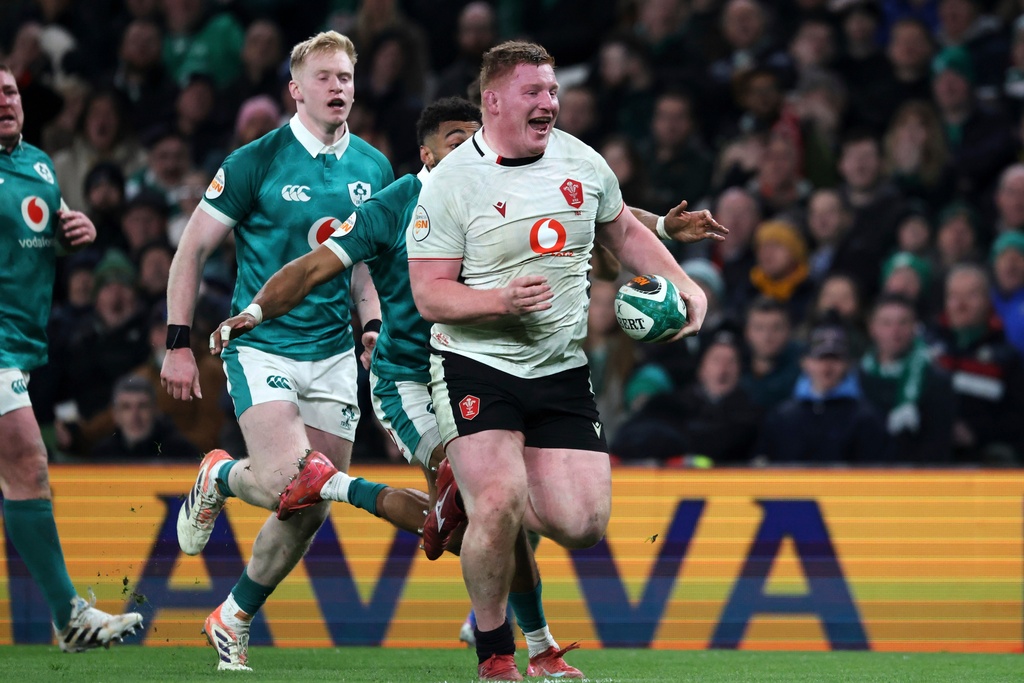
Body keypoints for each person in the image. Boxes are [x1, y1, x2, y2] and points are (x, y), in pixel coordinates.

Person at [211, 94, 725, 678]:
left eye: (473, 134)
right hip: (409, 380)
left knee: (494, 515)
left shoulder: (496, 182)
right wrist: (252, 311)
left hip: (487, 369)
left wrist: (659, 225)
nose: (468, 144)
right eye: (454, 137)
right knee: (473, 516)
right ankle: (340, 495)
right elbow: (310, 268)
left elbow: (587, 205)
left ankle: (530, 641)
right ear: (425, 151)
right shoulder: (396, 205)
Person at [404, 41, 708, 681]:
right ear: (493, 101)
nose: (549, 103)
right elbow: (429, 294)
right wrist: (497, 300)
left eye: (551, 91)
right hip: (476, 363)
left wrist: (686, 285)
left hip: (560, 367)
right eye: (533, 92)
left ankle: (476, 492)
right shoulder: (452, 184)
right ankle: (496, 656)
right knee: (502, 498)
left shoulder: (581, 161)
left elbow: (622, 231)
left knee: (583, 524)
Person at [160, 32, 425, 671]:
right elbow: (190, 249)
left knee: (305, 508)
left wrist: (371, 326)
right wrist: (178, 343)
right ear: (295, 90)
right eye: (326, 77)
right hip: (263, 343)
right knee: (289, 480)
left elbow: (365, 264)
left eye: (347, 78)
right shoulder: (257, 160)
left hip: (334, 353)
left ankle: (235, 614)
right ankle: (220, 473)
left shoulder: (372, 167)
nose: (339, 88)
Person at [0, 63, 143, 651]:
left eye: (8, 91)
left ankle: (68, 617)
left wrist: (67, 233)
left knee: (23, 469)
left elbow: (35, 238)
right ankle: (69, 617)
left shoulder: (38, 165)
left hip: (22, 344)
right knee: (28, 464)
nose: (4, 100)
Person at [91, 375, 201, 461]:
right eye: (126, 407)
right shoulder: (102, 456)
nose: (135, 416)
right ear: (116, 415)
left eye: (142, 406)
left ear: (155, 411)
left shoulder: (181, 452)